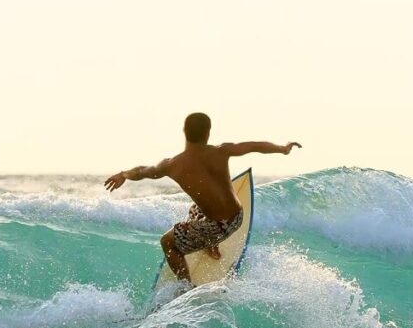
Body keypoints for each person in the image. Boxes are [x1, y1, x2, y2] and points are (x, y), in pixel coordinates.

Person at [104, 112, 301, 281]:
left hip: (215, 228)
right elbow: (254, 146)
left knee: (167, 242)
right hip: (237, 217)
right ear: (208, 132)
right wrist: (283, 149)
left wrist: (123, 175)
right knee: (195, 209)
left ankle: (184, 286)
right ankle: (211, 247)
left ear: (184, 131)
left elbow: (142, 171)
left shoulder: (172, 165)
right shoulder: (221, 151)